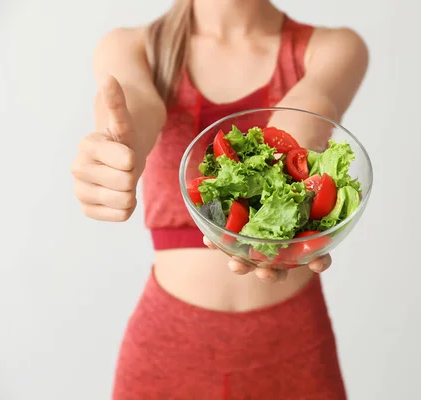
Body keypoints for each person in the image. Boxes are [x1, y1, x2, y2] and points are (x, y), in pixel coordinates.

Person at [71, 0, 368, 398]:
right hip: (168, 351)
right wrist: (117, 150)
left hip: (293, 348)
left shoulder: (333, 47)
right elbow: (136, 107)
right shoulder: (133, 47)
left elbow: (310, 110)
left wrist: (287, 162)